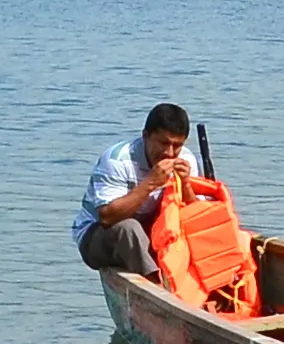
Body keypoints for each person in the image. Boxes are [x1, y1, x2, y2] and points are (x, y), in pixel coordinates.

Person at [75, 103, 196, 278]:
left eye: (177, 146)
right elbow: (107, 217)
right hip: (98, 236)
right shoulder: (117, 160)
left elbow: (196, 216)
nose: (169, 153)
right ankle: (157, 285)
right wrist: (150, 183)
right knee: (129, 229)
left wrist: (186, 185)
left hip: (153, 233)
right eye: (163, 143)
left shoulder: (186, 159)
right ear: (146, 136)